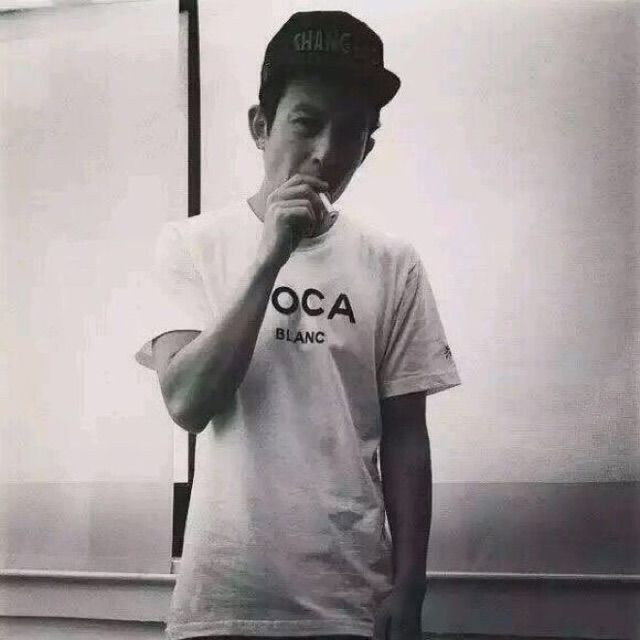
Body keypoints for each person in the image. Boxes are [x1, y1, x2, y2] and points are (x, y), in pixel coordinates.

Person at [135, 10, 461, 640]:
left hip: (351, 601)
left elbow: (406, 438)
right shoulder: (190, 244)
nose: (326, 154)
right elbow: (187, 403)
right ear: (261, 126)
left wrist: (411, 584)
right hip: (223, 603)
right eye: (307, 123)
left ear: (368, 148)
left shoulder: (392, 263)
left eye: (351, 134)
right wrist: (269, 258)